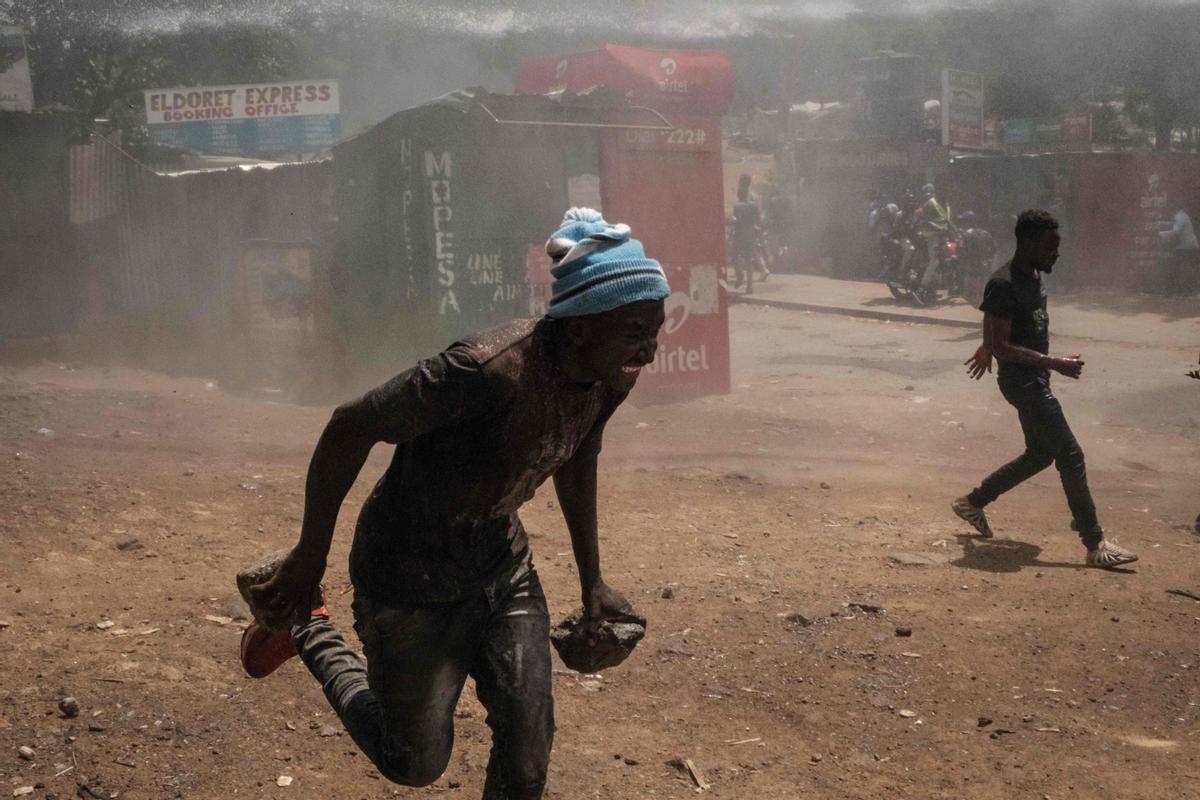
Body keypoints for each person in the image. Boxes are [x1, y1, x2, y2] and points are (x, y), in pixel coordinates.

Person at [238, 207, 670, 798]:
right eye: (633, 333)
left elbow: (579, 453)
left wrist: (594, 581)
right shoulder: (483, 371)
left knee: (528, 747)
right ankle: (309, 624)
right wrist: (309, 556)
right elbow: (349, 427)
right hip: (406, 571)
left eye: (655, 331)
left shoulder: (612, 372)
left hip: (499, 562)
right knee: (413, 763)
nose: (648, 351)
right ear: (578, 327)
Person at [957, 209, 1137, 569]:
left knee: (1040, 454)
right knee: (1071, 455)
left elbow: (999, 327)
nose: (1056, 253)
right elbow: (1004, 342)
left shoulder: (1033, 274)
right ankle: (1094, 542)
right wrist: (1052, 361)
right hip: (1022, 382)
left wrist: (988, 343)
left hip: (1034, 378)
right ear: (1027, 243)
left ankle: (973, 502)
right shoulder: (1004, 281)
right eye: (1049, 246)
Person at [729, 174, 769, 293]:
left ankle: (740, 276)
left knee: (734, 257)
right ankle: (749, 286)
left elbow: (736, 220)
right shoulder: (754, 202)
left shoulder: (737, 206)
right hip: (751, 234)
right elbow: (759, 220)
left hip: (739, 234)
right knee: (749, 260)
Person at [1158, 202, 1199, 294]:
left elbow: (1176, 232)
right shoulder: (1182, 215)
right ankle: (1191, 289)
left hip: (1186, 247)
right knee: (1192, 268)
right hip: (1190, 246)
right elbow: (1174, 224)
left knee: (1174, 268)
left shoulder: (1179, 217)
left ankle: (1172, 290)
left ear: (1174, 208)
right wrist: (1163, 223)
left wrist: (1162, 234)